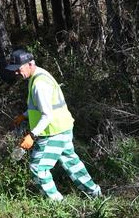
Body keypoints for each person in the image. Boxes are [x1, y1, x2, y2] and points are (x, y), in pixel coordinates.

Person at [6, 49, 102, 202]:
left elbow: (47, 115)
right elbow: (42, 106)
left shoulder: (39, 84)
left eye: (19, 68)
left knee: (38, 168)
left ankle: (57, 203)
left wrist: (31, 136)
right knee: (72, 163)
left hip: (53, 132)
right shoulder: (39, 75)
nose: (16, 72)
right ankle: (95, 193)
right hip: (63, 127)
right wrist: (23, 116)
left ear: (30, 64)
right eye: (15, 69)